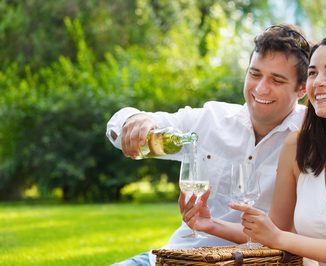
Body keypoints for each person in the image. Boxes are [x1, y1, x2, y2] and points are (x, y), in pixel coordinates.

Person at [183, 34, 326, 266]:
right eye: (313, 73)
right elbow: (272, 229)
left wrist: (280, 238)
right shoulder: (297, 147)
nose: (318, 81)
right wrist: (210, 224)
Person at [106, 23, 310, 266]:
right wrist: (135, 119)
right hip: (177, 256)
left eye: (277, 80)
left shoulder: (311, 136)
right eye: (255, 74)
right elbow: (122, 126)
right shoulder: (211, 119)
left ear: (302, 89)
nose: (261, 88)